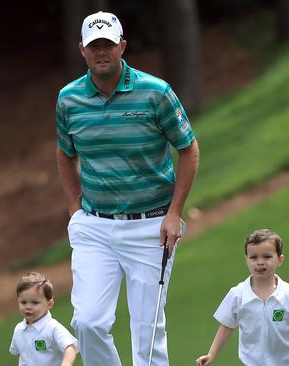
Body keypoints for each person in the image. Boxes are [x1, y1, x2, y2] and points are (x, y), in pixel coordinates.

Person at [55, 10, 199, 366]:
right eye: (93, 46)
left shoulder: (156, 92)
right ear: (82, 51)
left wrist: (174, 213)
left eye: (107, 44)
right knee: (87, 322)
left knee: (148, 332)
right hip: (95, 224)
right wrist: (75, 210)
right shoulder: (68, 99)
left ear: (122, 46)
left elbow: (188, 148)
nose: (101, 52)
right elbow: (64, 153)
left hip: (151, 225)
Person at [196, 229, 289, 366]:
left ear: (280, 260)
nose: (260, 262)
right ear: (246, 260)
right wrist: (211, 354)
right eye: (254, 257)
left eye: (267, 257)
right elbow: (227, 326)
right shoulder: (238, 294)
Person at [9, 272, 79, 366]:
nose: (28, 307)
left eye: (35, 302)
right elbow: (19, 353)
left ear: (49, 304)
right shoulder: (19, 330)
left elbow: (70, 348)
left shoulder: (52, 328)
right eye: (23, 302)